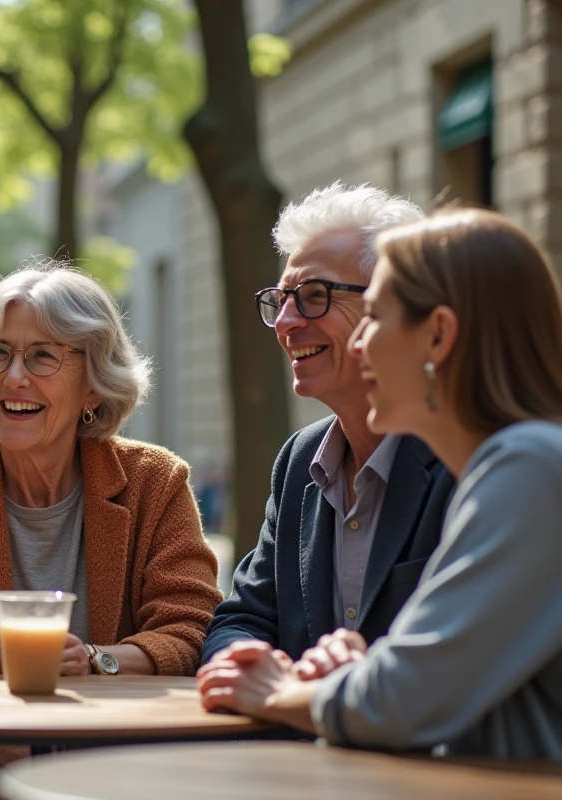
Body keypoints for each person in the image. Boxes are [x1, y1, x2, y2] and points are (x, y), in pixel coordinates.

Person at [200, 208, 562, 760]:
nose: (358, 346)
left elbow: (402, 699)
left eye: (375, 316)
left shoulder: (534, 468)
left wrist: (284, 690)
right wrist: (355, 674)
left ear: (439, 335)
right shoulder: (527, 461)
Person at [0, 262, 223, 800]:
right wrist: (19, 748)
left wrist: (96, 661)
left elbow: (191, 630)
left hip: (132, 777)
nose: (14, 376)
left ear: (93, 384)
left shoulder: (155, 483)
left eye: (42, 355)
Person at [198, 184, 456, 692]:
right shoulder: (298, 460)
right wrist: (260, 668)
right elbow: (239, 620)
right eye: (281, 300)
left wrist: (301, 692)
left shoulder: (466, 457)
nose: (287, 323)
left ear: (399, 310)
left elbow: (460, 662)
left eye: (315, 296)